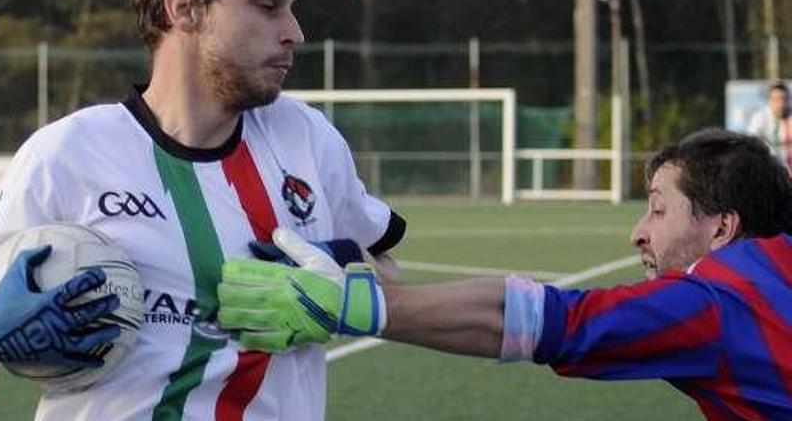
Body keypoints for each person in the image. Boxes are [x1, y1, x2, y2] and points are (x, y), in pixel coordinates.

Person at [0, 0, 406, 420]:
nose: (295, 31)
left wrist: (333, 274)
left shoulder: (307, 138)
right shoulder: (64, 155)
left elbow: (386, 274)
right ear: (184, 9)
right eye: (268, 6)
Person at [218, 128, 792, 419]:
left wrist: (352, 305)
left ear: (722, 228)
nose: (638, 232)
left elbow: (545, 321)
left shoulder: (716, 303)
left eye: (658, 209)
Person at [747, 81, 792, 173]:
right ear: (769, 100)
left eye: (784, 99)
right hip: (769, 169)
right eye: (776, 100)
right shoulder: (760, 118)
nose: (781, 104)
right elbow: (752, 141)